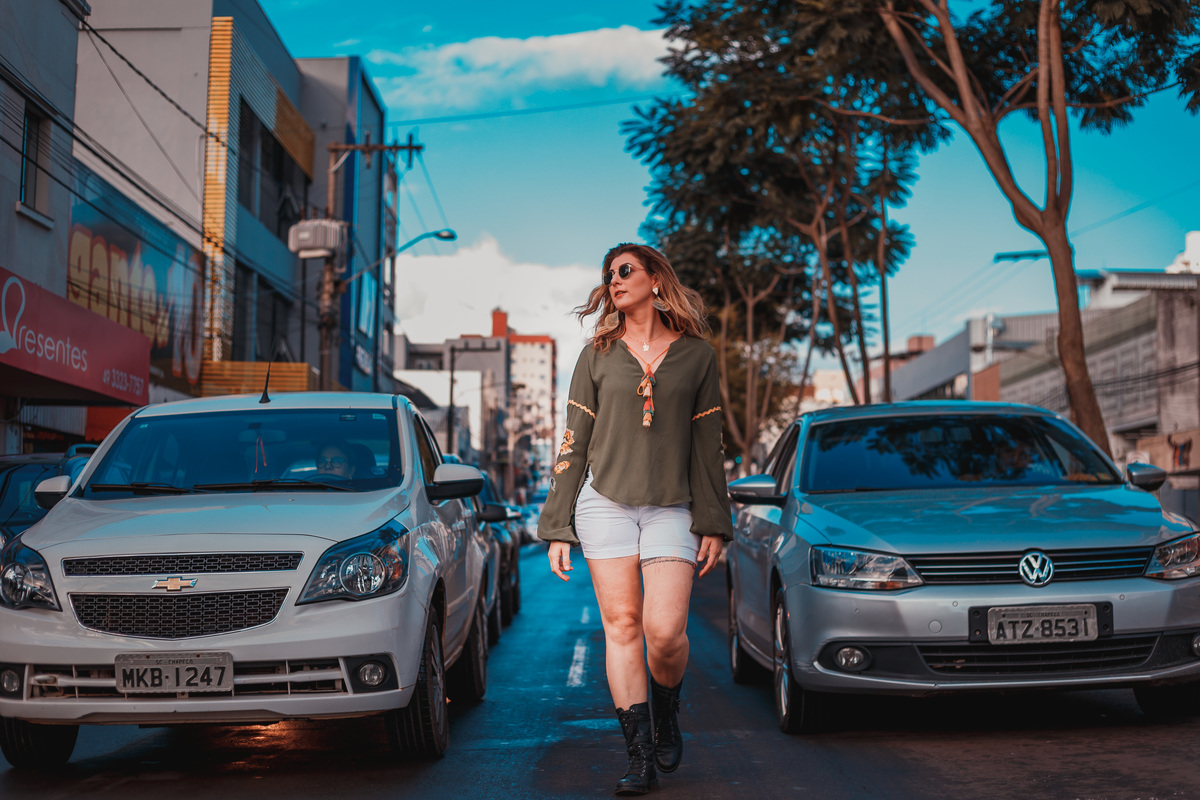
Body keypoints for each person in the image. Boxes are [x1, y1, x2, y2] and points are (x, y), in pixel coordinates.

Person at [538, 243, 731, 796]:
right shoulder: (595, 355)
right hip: (605, 505)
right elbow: (572, 445)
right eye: (609, 275)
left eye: (625, 270)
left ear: (654, 278)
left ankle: (666, 708)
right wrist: (557, 524)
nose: (614, 280)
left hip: (672, 506)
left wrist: (714, 518)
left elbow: (707, 445)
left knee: (664, 632)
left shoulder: (697, 355)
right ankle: (639, 756)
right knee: (622, 627)